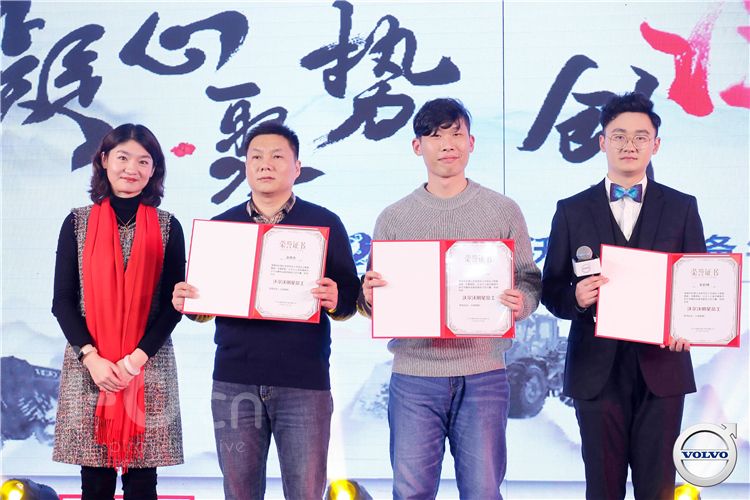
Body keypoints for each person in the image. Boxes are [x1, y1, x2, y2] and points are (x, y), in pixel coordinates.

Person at [359, 98, 541, 500]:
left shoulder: (503, 210)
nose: (447, 144)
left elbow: (529, 279)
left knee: (482, 491)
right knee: (411, 492)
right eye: (434, 136)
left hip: (484, 373)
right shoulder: (394, 217)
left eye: (456, 134)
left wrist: (522, 302)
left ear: (471, 142)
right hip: (414, 375)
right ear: (416, 146)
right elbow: (374, 293)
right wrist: (369, 297)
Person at [171, 122, 360, 500]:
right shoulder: (222, 227)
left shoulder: (325, 223)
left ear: (297, 168)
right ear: (246, 166)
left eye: (277, 156)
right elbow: (203, 308)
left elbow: (349, 300)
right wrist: (187, 301)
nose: (265, 164)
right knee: (239, 493)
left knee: (305, 493)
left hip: (304, 383)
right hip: (235, 382)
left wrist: (335, 298)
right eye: (256, 157)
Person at [541, 92, 706, 500]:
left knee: (658, 487)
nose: (629, 145)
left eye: (640, 136)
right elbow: (551, 290)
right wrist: (576, 296)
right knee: (602, 487)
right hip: (596, 369)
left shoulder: (682, 208)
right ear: (602, 142)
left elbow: (699, 282)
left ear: (656, 144)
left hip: (662, 366)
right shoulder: (572, 210)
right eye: (618, 136)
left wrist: (689, 325)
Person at [52, 124, 185, 499]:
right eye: (123, 157)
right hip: (90, 366)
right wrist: (91, 357)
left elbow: (173, 307)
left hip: (148, 365)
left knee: (143, 482)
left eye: (144, 161)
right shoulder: (77, 222)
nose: (132, 168)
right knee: (94, 481)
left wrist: (133, 362)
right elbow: (62, 301)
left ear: (154, 169)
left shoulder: (168, 226)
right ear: (104, 160)